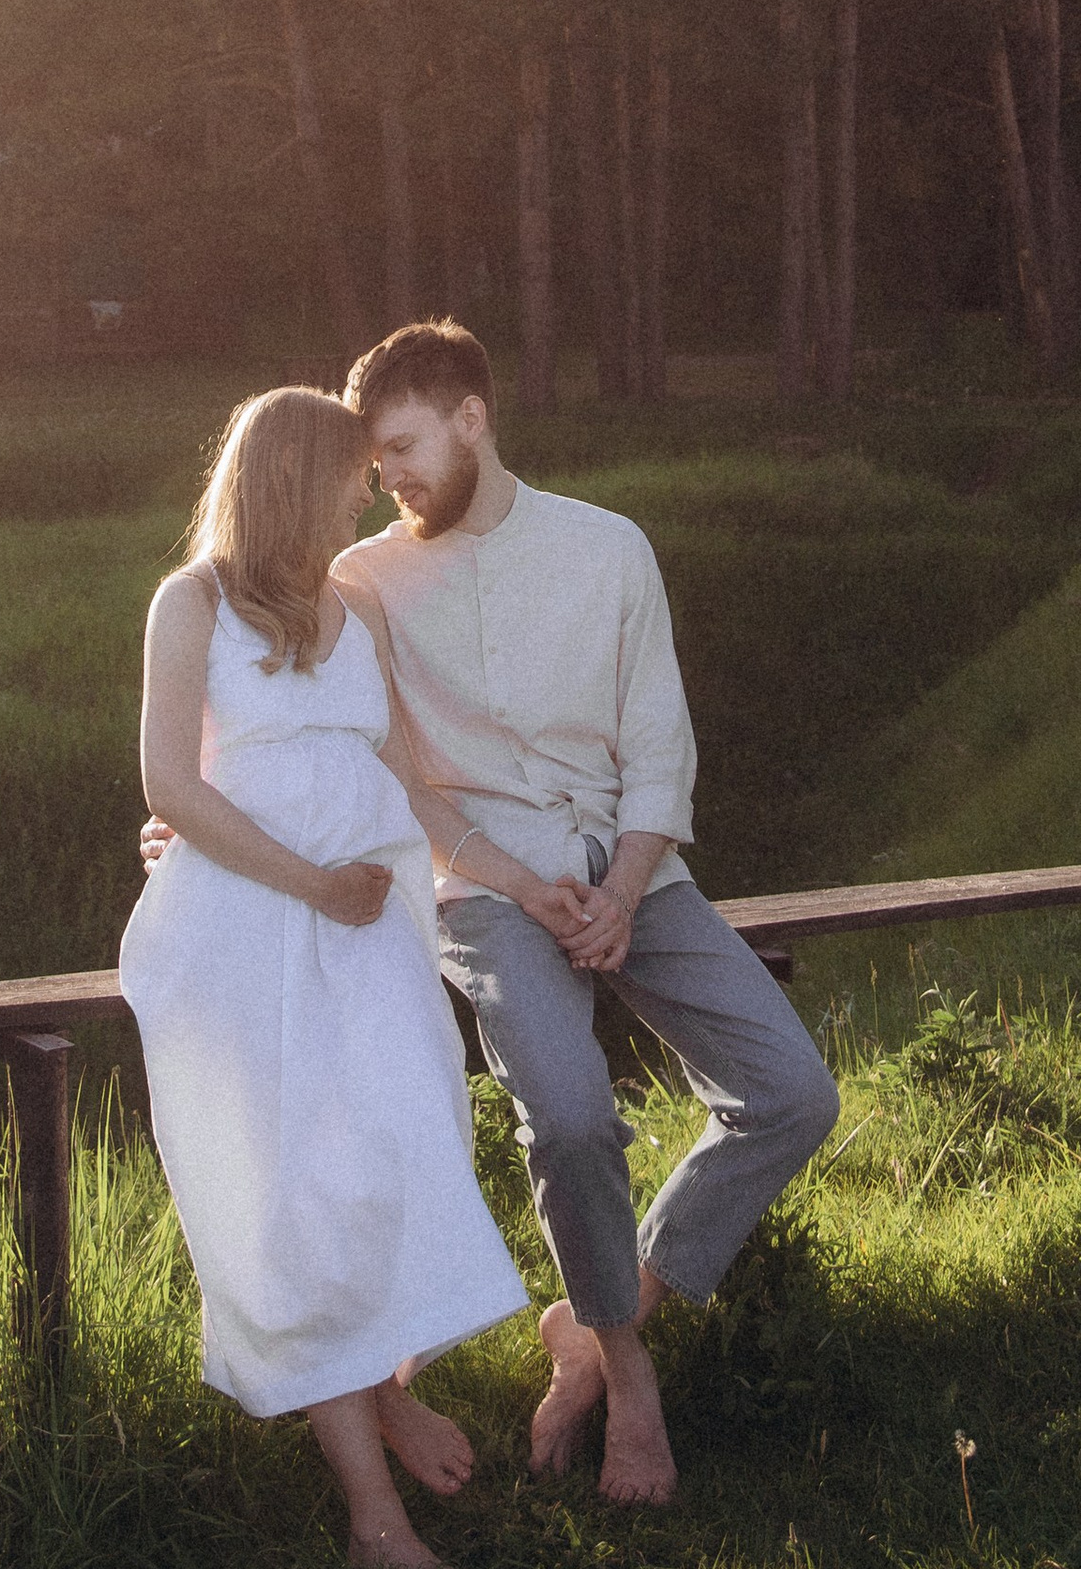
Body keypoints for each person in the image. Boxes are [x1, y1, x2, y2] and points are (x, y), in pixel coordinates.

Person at [338, 319, 840, 1508]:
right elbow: (390, 772)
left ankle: (598, 1313)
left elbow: (660, 741)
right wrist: (517, 883)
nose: (390, 479)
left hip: (634, 875)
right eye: (375, 466)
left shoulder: (609, 548)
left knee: (791, 1093)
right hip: (485, 886)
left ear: (471, 417)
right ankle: (627, 1370)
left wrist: (621, 889)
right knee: (568, 1122)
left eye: (403, 446)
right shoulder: (362, 581)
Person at [116, 384, 542, 1569]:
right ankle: (375, 1524)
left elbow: (400, 775)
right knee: (291, 1201)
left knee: (400, 1161)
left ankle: (385, 1392)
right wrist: (306, 880)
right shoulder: (189, 603)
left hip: (370, 932)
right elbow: (172, 787)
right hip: (249, 933)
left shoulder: (349, 605)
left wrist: (499, 877)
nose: (365, 488)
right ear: (294, 476)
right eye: (348, 472)